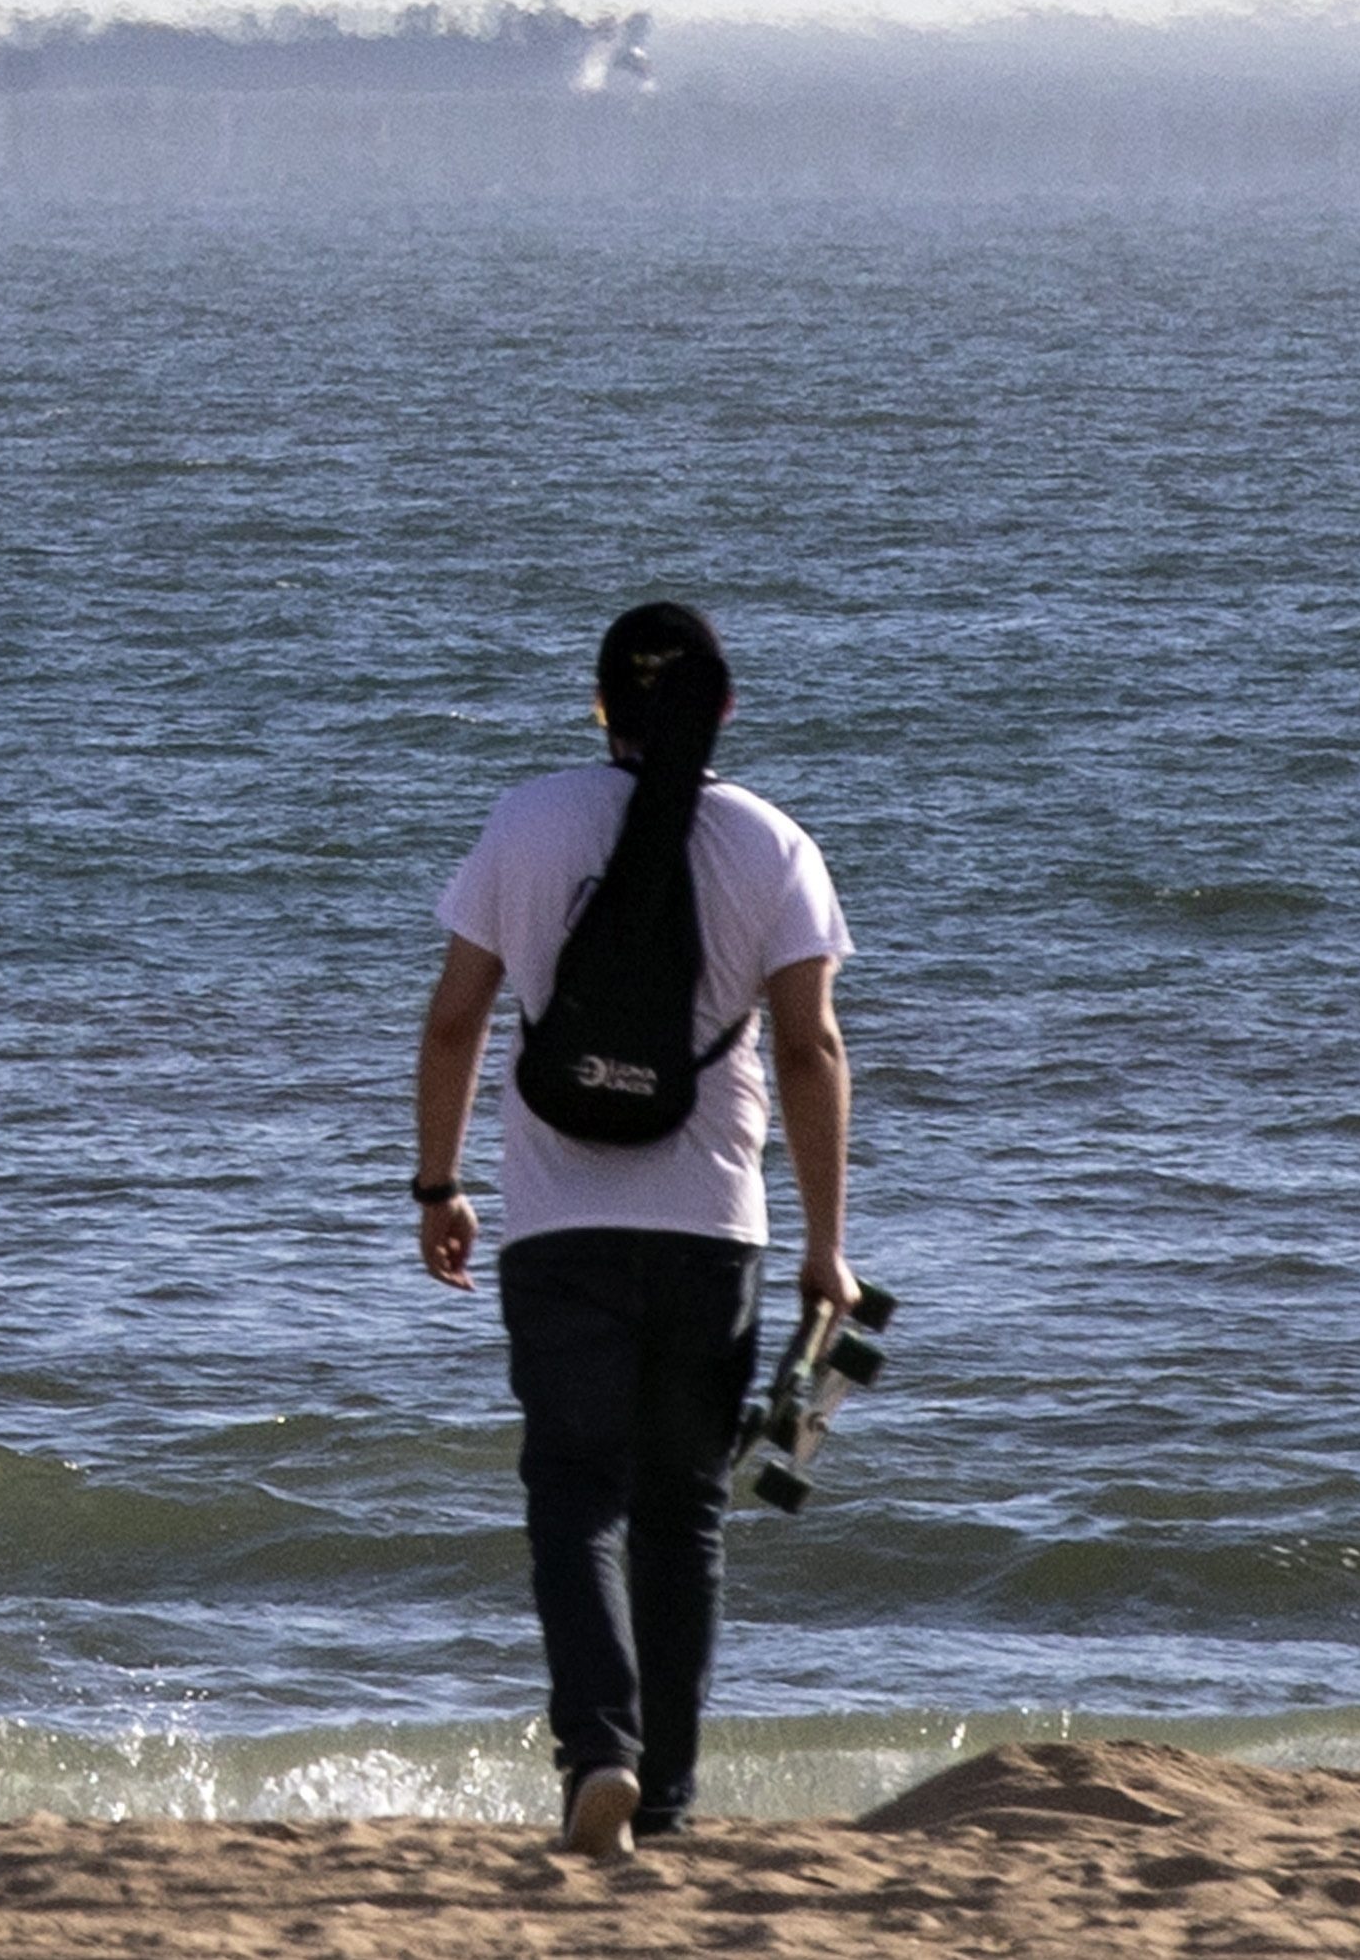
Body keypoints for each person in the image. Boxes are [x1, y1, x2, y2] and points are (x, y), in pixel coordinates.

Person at [411, 602, 856, 1861]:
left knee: (572, 1494)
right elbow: (811, 1048)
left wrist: (434, 1184)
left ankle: (594, 1753)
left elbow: (453, 1022)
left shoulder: (525, 821)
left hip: (557, 1226)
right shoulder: (772, 842)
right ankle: (662, 1797)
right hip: (715, 1223)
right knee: (683, 1512)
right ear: (720, 708)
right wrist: (827, 1244)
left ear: (598, 703)